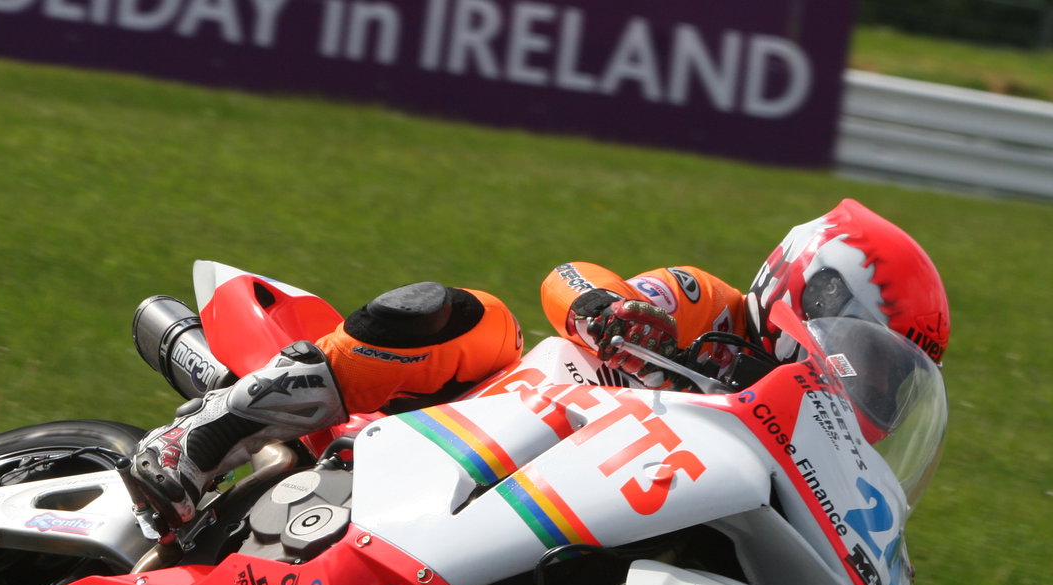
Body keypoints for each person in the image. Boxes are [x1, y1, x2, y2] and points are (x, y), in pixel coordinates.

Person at [129, 198, 950, 530]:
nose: (862, 381)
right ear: (811, 288)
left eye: (885, 377)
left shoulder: (808, 438)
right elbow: (569, 280)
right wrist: (608, 310)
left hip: (579, 504)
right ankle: (212, 431)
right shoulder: (713, 306)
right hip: (491, 415)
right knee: (477, 318)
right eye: (866, 355)